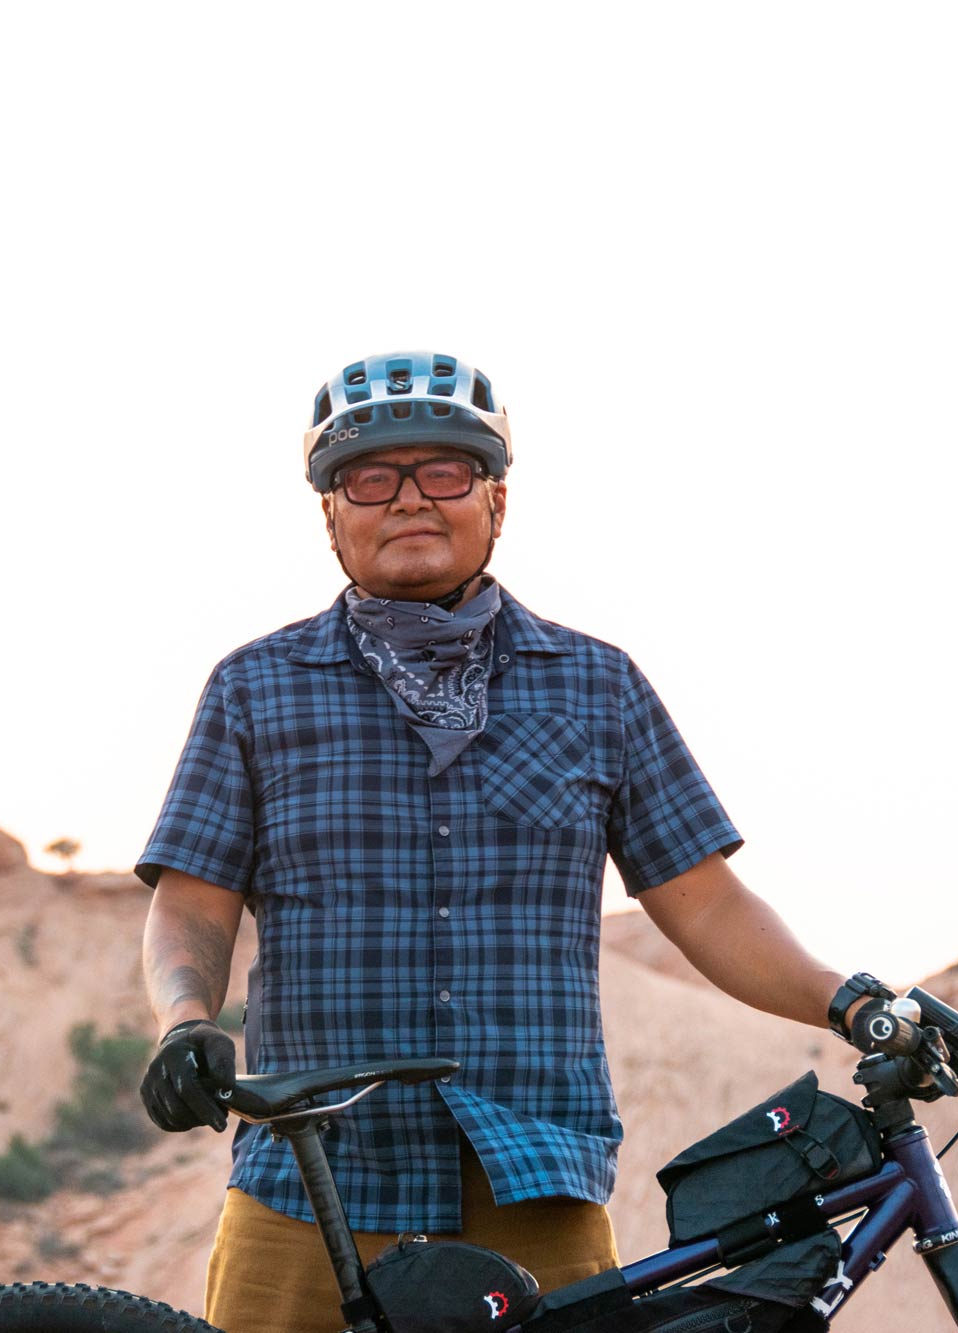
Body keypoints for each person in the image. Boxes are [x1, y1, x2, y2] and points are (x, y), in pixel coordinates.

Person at [135, 350, 885, 1333]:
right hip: (308, 1186)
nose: (408, 499)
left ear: (495, 498)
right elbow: (192, 898)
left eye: (442, 471)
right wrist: (185, 1018)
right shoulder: (253, 689)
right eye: (370, 476)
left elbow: (705, 903)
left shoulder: (595, 686)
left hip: (532, 1178)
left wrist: (849, 1001)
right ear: (330, 512)